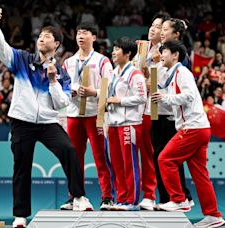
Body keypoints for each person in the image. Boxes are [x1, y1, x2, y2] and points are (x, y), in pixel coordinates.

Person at [0, 8, 92, 228]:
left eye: (47, 36)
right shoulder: (22, 59)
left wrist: (54, 81)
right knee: (21, 167)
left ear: (56, 44)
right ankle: (20, 216)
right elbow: (1, 49)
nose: (41, 39)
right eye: (40, 36)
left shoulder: (62, 73)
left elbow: (61, 103)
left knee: (69, 150)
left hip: (47, 123)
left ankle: (79, 196)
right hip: (22, 122)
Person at [151, 40, 225, 228]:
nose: (161, 55)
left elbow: (190, 95)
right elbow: (169, 101)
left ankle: (179, 199)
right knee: (200, 175)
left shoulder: (182, 72)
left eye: (164, 52)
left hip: (193, 128)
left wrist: (165, 97)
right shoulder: (170, 74)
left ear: (175, 55)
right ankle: (213, 215)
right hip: (198, 128)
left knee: (164, 159)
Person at [60, 22, 114, 211]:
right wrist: (72, 91)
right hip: (74, 114)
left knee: (100, 156)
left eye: (85, 33)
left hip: (95, 114)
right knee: (74, 158)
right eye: (79, 33)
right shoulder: (67, 62)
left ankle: (107, 197)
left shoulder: (102, 61)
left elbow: (110, 89)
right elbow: (62, 87)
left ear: (94, 37)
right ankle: (75, 195)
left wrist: (94, 92)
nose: (81, 36)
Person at [152, 17, 194, 208]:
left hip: (171, 115)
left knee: (168, 158)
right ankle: (168, 198)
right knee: (160, 157)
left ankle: (179, 197)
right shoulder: (159, 52)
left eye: (165, 28)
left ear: (176, 34)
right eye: (159, 28)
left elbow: (179, 90)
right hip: (157, 111)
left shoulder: (179, 58)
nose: (161, 31)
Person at [106, 37, 147, 210]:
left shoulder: (135, 74)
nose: (113, 52)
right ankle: (121, 198)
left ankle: (132, 201)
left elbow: (142, 97)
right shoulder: (114, 73)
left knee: (129, 163)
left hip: (129, 124)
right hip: (114, 124)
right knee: (116, 163)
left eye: (117, 49)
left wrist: (119, 101)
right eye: (113, 49)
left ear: (128, 53)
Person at [136, 13, 170, 211]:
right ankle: (133, 195)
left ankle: (151, 195)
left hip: (154, 108)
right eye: (152, 25)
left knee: (151, 153)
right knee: (136, 153)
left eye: (158, 27)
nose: (153, 29)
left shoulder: (167, 52)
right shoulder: (140, 47)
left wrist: (152, 74)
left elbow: (162, 81)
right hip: (134, 108)